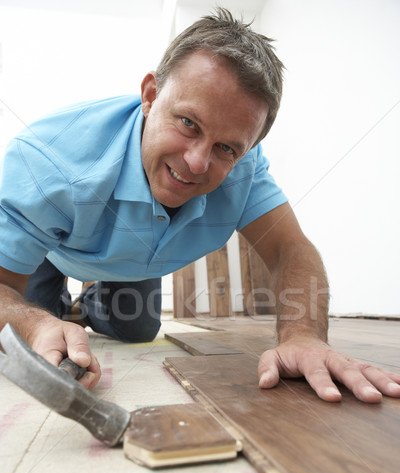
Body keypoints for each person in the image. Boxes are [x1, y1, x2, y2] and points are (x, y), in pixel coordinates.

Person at [0, 8, 399, 402]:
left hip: (131, 259)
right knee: (39, 323)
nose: (197, 163)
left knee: (139, 329)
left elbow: (290, 249)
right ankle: (57, 307)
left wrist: (304, 335)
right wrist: (32, 323)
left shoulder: (246, 169)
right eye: (189, 123)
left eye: (226, 147)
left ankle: (83, 307)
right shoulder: (49, 160)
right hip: (51, 252)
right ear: (151, 96)